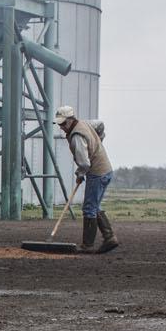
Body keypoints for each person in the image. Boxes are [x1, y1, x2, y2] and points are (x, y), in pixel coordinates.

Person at [56, 105, 119, 254]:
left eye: (64, 123)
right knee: (94, 205)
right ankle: (109, 237)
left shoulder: (77, 136)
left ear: (71, 120)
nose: (62, 127)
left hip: (97, 172)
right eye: (59, 124)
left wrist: (79, 174)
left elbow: (84, 163)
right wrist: (98, 141)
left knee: (89, 208)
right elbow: (100, 125)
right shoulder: (85, 124)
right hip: (106, 170)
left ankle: (87, 245)